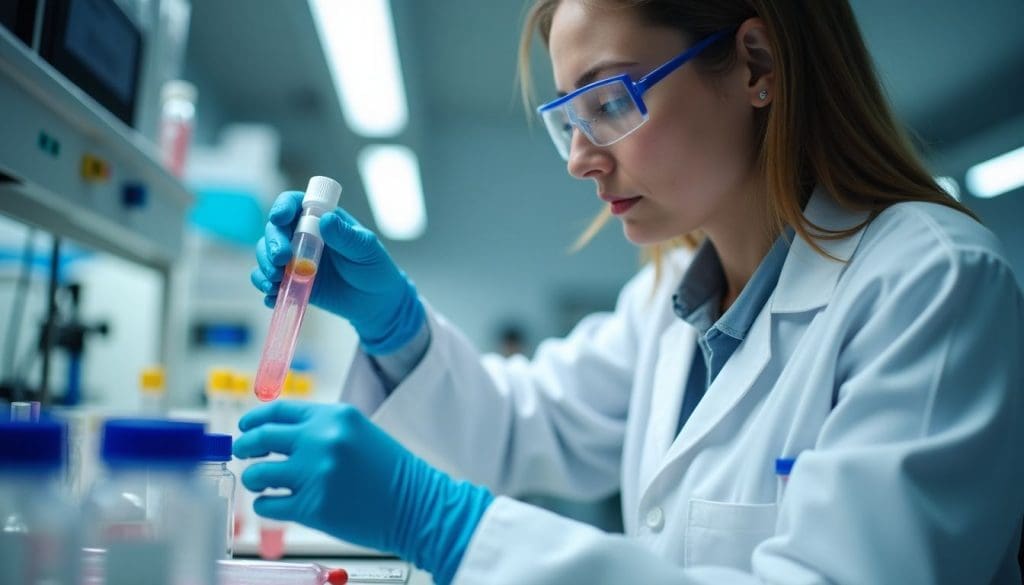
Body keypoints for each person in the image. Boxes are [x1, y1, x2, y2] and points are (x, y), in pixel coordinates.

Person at [234, 1, 1024, 583]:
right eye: (566, 118)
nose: (580, 159)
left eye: (609, 102)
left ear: (756, 64)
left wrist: (442, 523)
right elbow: (521, 426)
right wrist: (394, 324)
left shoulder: (931, 282)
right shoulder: (671, 301)